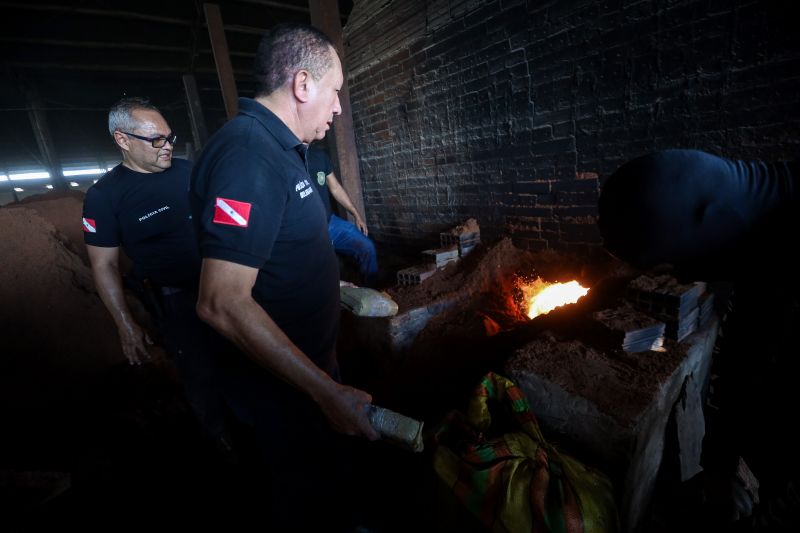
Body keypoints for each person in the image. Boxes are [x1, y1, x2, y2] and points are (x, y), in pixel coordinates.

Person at [188, 23, 380, 531]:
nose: (338, 108)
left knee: (332, 482)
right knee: (304, 500)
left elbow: (274, 248)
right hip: (283, 392)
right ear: (302, 85)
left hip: (308, 372)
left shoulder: (281, 149)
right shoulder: (248, 157)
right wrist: (325, 391)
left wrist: (326, 285)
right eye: (335, 91)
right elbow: (222, 302)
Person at [598, 149, 799, 531]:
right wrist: (718, 466)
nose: (679, 278)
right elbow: (743, 353)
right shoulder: (766, 248)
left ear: (708, 225)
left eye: (671, 267)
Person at [82, 96, 230, 448]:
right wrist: (124, 322)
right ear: (123, 140)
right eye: (156, 140)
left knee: (246, 360)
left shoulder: (189, 171)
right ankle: (221, 442)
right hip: (178, 303)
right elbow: (103, 264)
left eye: (169, 137)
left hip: (227, 287)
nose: (168, 147)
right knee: (201, 374)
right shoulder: (104, 197)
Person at [307, 143, 378, 285]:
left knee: (367, 247)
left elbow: (336, 188)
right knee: (323, 271)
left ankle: (372, 294)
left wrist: (356, 214)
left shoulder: (319, 155)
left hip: (330, 223)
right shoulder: (286, 158)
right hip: (307, 233)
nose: (328, 122)